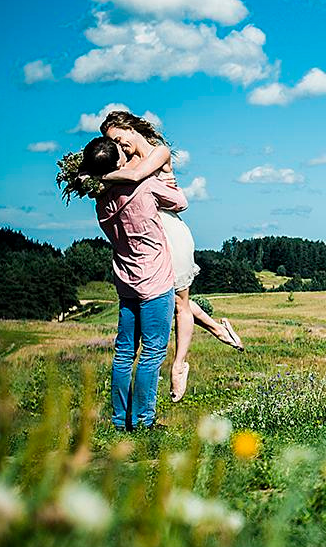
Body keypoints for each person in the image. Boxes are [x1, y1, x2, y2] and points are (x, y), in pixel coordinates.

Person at [98, 110, 243, 403]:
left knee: (178, 303)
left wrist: (97, 175)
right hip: (145, 236)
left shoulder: (157, 152)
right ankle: (218, 329)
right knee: (174, 301)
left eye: (118, 138)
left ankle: (179, 365)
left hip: (169, 231)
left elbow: (138, 178)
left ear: (130, 127)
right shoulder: (122, 163)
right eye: (111, 143)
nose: (118, 146)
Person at [78, 137, 183, 431]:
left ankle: (119, 420)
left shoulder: (99, 200)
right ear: (118, 162)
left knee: (124, 353)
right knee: (152, 352)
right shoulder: (143, 186)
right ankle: (143, 420)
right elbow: (181, 202)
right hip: (155, 280)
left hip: (125, 281)